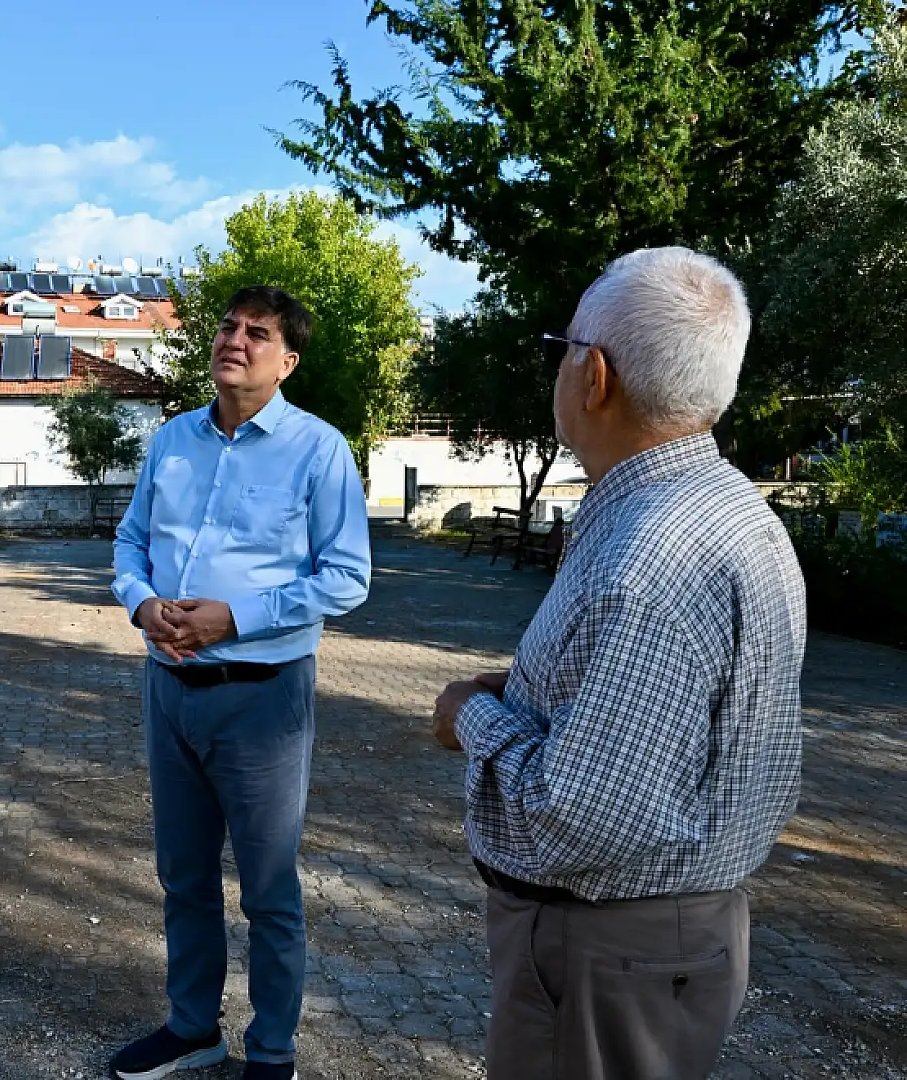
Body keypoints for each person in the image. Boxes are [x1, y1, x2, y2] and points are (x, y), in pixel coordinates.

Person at [430, 248, 805, 1080]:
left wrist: (472, 714)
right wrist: (529, 689)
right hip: (667, 935)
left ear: (593, 373)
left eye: (562, 346)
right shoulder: (731, 508)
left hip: (603, 948)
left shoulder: (648, 556)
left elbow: (578, 818)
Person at [110, 286, 372, 1080]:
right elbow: (129, 543)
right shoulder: (173, 442)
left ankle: (273, 1050)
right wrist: (144, 603)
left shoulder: (319, 449)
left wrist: (239, 616)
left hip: (262, 697)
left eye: (258, 333)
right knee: (183, 877)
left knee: (267, 891)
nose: (236, 339)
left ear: (286, 360)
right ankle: (194, 1026)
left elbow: (348, 576)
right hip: (169, 689)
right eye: (229, 326)